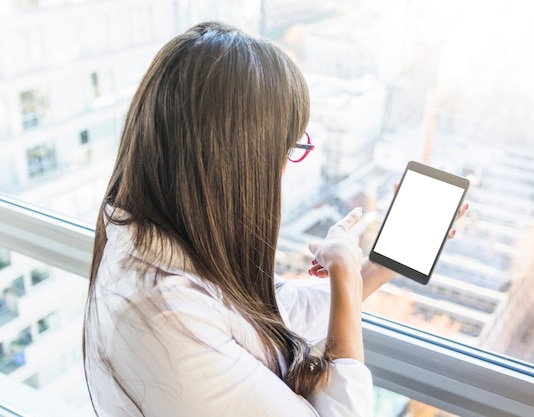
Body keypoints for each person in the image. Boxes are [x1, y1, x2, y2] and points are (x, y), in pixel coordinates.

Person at [82, 21, 466, 417]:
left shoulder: (167, 241)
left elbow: (285, 311)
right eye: (290, 147)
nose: (285, 168)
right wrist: (345, 274)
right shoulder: (169, 321)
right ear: (241, 163)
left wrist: (379, 260)